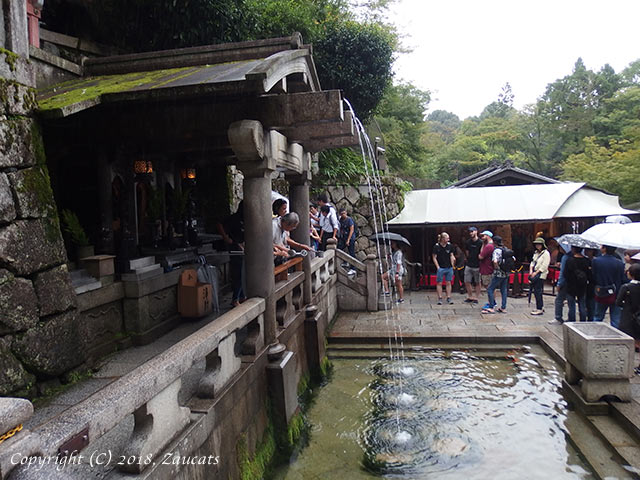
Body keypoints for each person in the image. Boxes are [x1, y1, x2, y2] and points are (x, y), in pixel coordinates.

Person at [217, 201, 245, 307]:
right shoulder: (234, 218)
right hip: (235, 247)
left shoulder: (246, 219)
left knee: (243, 272)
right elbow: (220, 224)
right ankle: (235, 298)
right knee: (238, 273)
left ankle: (241, 296)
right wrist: (226, 237)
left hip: (243, 247)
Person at [592, 244, 627, 329]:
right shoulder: (620, 263)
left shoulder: (596, 261)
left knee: (598, 316)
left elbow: (594, 276)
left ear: (604, 248)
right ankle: (615, 338)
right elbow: (622, 279)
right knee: (615, 319)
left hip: (601, 291)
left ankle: (595, 335)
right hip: (616, 293)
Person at [616, 263, 640, 375]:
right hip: (638, 319)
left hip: (627, 318)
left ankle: (625, 365)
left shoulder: (626, 287)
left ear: (631, 274)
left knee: (626, 342)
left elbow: (618, 302)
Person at [563, 245, 592, 322]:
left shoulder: (569, 260)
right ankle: (583, 320)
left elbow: (565, 274)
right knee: (582, 304)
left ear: (573, 249)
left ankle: (572, 320)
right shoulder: (587, 260)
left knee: (571, 305)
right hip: (582, 285)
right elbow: (589, 274)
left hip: (571, 285)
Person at [482, 235, 511, 314]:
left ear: (494, 242)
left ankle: (491, 306)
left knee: (490, 289)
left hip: (499, 273)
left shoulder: (496, 250)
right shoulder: (506, 249)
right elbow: (513, 259)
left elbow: (495, 261)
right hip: (506, 273)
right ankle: (503, 307)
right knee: (503, 290)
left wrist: (497, 268)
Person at [432, 232, 456, 305]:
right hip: (441, 267)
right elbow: (434, 257)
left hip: (449, 267)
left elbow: (451, 255)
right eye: (447, 238)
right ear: (442, 238)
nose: (448, 239)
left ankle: (448, 297)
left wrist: (452, 263)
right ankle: (440, 297)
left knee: (448, 282)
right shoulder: (436, 247)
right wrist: (437, 267)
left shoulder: (450, 246)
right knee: (439, 283)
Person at [529, 237, 550, 315]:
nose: (537, 246)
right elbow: (533, 262)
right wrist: (531, 270)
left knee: (538, 291)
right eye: (536, 244)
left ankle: (539, 308)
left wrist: (536, 272)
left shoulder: (546, 253)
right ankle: (540, 306)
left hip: (540, 274)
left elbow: (544, 265)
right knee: (536, 291)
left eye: (539, 244)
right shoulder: (536, 253)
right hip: (534, 273)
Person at [464, 227, 483, 304]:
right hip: (469, 264)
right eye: (470, 232)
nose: (471, 233)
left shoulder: (480, 242)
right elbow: (467, 252)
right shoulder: (468, 242)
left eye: (472, 231)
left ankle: (477, 297)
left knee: (477, 281)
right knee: (467, 281)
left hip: (477, 265)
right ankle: (470, 295)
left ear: (476, 232)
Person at [553, 249, 570, 323]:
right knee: (571, 301)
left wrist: (559, 284)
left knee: (559, 300)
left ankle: (558, 318)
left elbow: (562, 273)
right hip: (575, 283)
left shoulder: (566, 257)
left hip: (565, 282)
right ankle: (572, 318)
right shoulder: (582, 258)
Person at [478, 230, 495, 296]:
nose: (481, 238)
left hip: (487, 269)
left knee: (488, 286)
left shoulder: (488, 246)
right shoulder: (492, 245)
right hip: (489, 268)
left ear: (487, 236)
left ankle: (491, 302)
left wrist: (483, 245)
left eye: (483, 236)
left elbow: (480, 256)